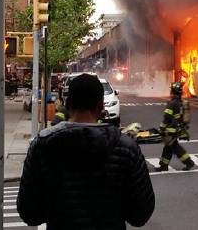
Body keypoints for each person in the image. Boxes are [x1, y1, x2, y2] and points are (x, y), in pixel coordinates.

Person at [17, 73, 155, 229]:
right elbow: (140, 214)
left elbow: (29, 212)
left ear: (67, 104)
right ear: (101, 105)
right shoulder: (126, 148)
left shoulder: (42, 145)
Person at [155, 82, 195, 172]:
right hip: (177, 129)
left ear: (173, 92)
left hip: (171, 130)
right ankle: (164, 165)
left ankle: (188, 162)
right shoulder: (180, 102)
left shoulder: (172, 103)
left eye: (171, 90)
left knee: (175, 147)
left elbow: (167, 118)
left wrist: (161, 128)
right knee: (168, 147)